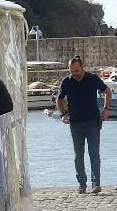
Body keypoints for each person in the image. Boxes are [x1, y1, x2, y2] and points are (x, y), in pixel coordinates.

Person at [45, 55, 111, 193]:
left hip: (93, 121)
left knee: (94, 153)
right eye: (72, 71)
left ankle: (96, 183)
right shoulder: (67, 81)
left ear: (82, 68)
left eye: (77, 71)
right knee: (78, 155)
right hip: (75, 123)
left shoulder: (92, 79)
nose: (75, 74)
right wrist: (63, 115)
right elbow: (59, 99)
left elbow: (107, 92)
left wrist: (106, 110)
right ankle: (82, 184)